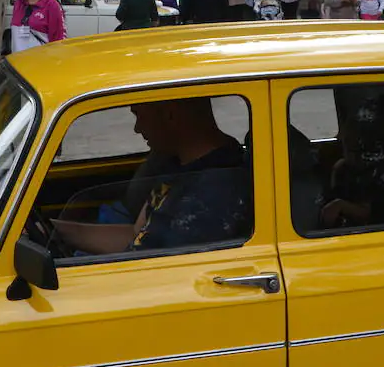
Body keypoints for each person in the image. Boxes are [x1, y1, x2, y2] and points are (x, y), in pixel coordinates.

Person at [53, 98, 250, 255]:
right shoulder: (177, 164)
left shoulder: (214, 195)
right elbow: (137, 235)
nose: (137, 128)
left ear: (171, 115)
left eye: (139, 115)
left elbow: (162, 273)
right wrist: (60, 231)